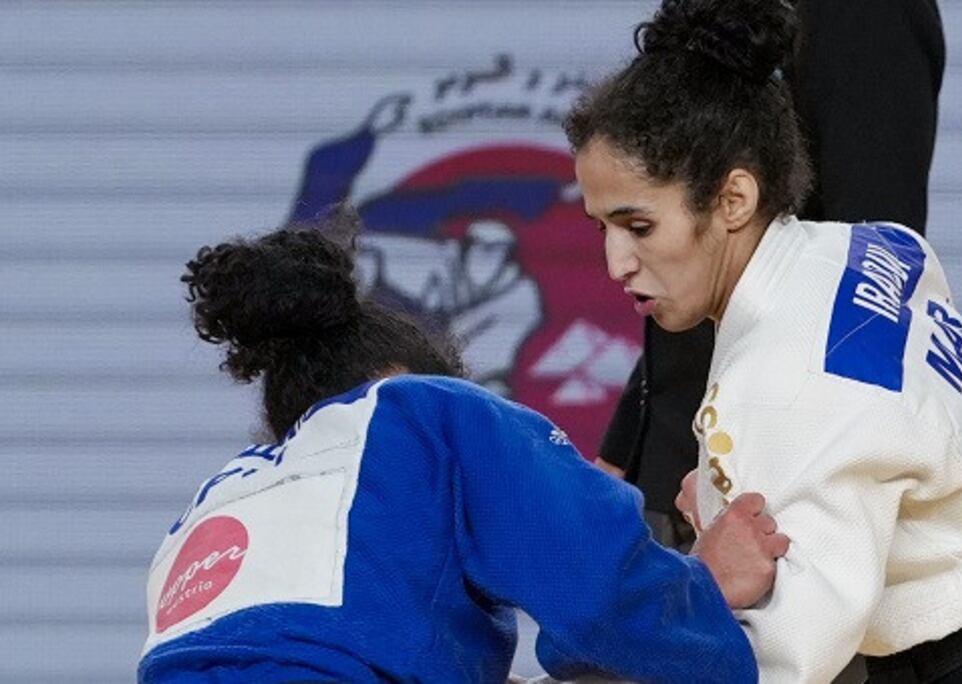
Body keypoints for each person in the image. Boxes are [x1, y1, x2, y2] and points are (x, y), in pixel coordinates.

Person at [565, 0, 962, 681]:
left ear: (734, 199)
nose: (614, 262)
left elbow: (781, 663)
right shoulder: (867, 251)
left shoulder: (786, 384)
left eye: (638, 227)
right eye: (601, 229)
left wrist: (702, 579)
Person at [136, 207, 790, 683]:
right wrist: (702, 585)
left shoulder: (210, 508)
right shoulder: (417, 407)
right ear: (399, 375)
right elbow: (601, 596)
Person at [594, 0, 946, 555]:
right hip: (679, 464)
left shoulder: (865, 17)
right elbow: (692, 254)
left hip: (767, 495)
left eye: (633, 226)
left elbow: (876, 273)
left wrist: (761, 481)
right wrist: (631, 441)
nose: (616, 262)